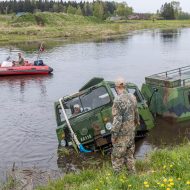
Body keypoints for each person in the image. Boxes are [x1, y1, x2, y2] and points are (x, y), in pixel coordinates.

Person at [111, 78, 140, 175]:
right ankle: (132, 176)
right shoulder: (132, 97)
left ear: (116, 88)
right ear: (124, 86)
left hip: (121, 136)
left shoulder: (117, 100)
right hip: (131, 133)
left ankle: (117, 181)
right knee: (129, 156)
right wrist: (134, 127)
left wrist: (114, 136)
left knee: (117, 157)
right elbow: (137, 115)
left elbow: (117, 121)